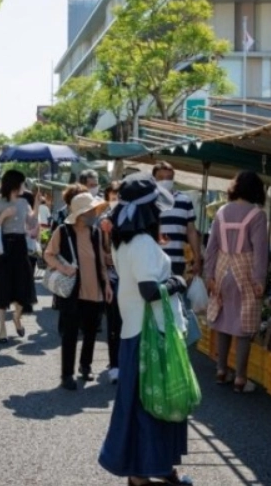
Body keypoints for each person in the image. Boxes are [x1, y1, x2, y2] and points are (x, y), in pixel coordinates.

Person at [99, 172, 192, 486]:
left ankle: (152, 471)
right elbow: (150, 291)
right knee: (156, 406)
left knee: (144, 405)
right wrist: (178, 282)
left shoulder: (124, 243)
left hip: (136, 332)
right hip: (152, 335)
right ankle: (144, 475)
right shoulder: (142, 244)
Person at [205, 171, 268, 393]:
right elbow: (260, 251)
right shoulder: (257, 215)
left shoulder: (221, 212)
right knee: (244, 325)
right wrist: (260, 279)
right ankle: (241, 378)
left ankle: (221, 369)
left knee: (222, 320)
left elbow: (211, 247)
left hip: (222, 271)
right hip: (246, 272)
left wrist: (209, 275)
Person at [44, 185, 112, 390]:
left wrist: (107, 285)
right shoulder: (63, 231)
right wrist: (63, 268)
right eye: (91, 211)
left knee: (91, 331)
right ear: (81, 213)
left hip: (95, 290)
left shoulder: (96, 233)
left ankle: (85, 365)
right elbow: (48, 254)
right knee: (70, 334)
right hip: (72, 291)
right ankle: (67, 374)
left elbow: (101, 261)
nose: (94, 214)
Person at [0, 170, 37, 344]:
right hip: (2, 248)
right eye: (22, 183)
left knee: (23, 285)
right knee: (2, 287)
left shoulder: (24, 202)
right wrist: (3, 216)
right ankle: (2, 327)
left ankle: (17, 316)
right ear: (15, 184)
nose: (24, 186)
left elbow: (32, 224)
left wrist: (36, 205)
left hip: (20, 246)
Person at [153, 161, 202, 277]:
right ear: (154, 179)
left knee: (177, 294)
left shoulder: (184, 200)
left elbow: (191, 231)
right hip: (154, 261)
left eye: (169, 178)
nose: (165, 181)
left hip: (179, 262)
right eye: (161, 178)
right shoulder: (148, 201)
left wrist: (197, 257)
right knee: (159, 295)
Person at [102, 181, 123, 384]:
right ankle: (114, 363)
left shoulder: (132, 218)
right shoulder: (104, 220)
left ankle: (125, 362)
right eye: (113, 197)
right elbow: (100, 251)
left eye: (120, 196)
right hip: (112, 278)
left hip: (131, 279)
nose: (117, 201)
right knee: (114, 324)